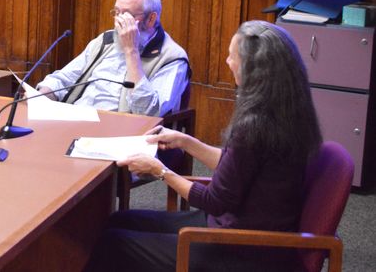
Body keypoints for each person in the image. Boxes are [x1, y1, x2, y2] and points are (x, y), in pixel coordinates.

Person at [86, 20, 323, 271]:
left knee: (113, 243)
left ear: (255, 70)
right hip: (240, 223)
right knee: (120, 220)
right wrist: (187, 142)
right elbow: (239, 167)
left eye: (233, 57)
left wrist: (160, 171)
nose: (227, 62)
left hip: (243, 248)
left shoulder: (256, 124)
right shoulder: (286, 110)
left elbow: (214, 201)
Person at [36, 0, 189, 116]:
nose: (118, 21)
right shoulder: (106, 40)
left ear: (151, 19)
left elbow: (149, 113)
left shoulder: (173, 58)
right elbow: (65, 78)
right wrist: (42, 94)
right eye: (116, 12)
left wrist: (131, 51)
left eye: (126, 14)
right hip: (75, 119)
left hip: (121, 134)